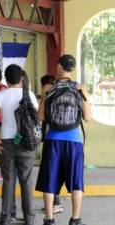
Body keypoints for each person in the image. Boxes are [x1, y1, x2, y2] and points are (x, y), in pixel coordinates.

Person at [36, 55, 92, 225]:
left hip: (53, 140)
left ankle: (49, 219)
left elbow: (40, 117)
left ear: (59, 66)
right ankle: (75, 219)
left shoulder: (48, 88)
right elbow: (88, 117)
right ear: (73, 68)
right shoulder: (80, 88)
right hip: (74, 141)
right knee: (76, 182)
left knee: (50, 180)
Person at [0, 65, 38, 225]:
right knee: (26, 179)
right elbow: (37, 118)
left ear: (6, 79)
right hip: (26, 142)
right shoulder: (28, 94)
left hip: (7, 142)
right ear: (21, 78)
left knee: (8, 179)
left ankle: (6, 217)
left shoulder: (2, 94)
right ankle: (29, 218)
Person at [38, 74, 63, 215]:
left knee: (52, 172)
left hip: (52, 141)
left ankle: (56, 204)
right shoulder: (58, 97)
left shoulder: (48, 97)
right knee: (54, 172)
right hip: (58, 140)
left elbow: (40, 117)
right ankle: (53, 203)